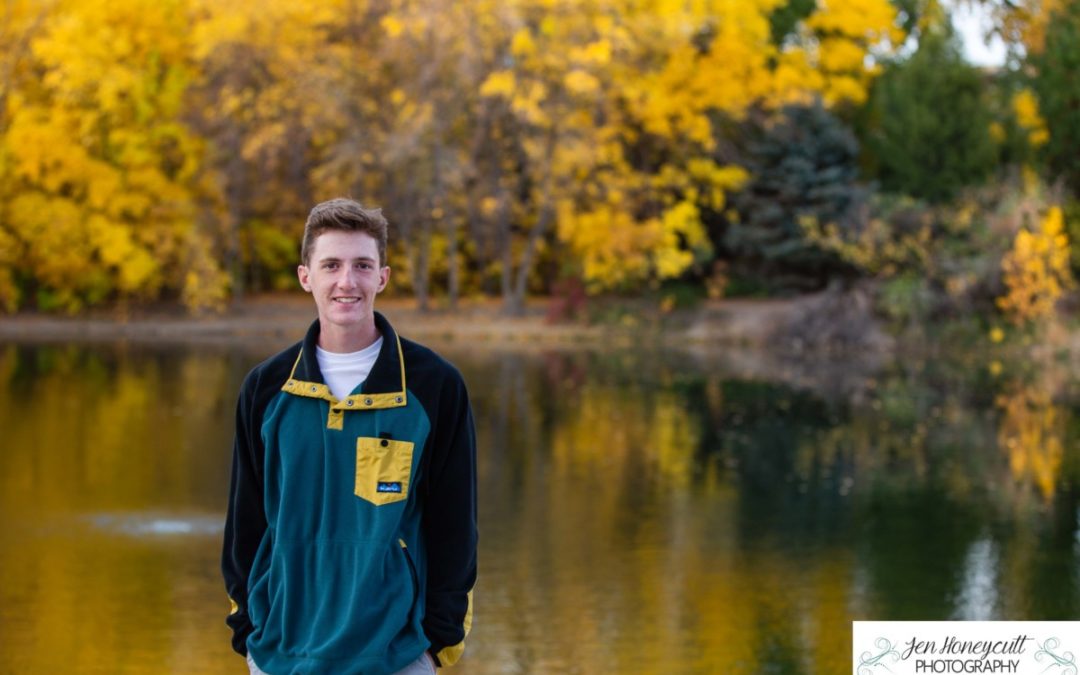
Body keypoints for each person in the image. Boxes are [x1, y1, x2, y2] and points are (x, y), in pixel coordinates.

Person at [222, 198, 477, 675]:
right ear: (306, 277)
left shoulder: (433, 386)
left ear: (382, 277)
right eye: (331, 265)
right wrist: (249, 633)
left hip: (394, 658)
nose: (347, 281)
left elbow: (455, 528)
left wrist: (435, 644)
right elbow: (245, 522)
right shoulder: (266, 388)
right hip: (278, 655)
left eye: (362, 265)